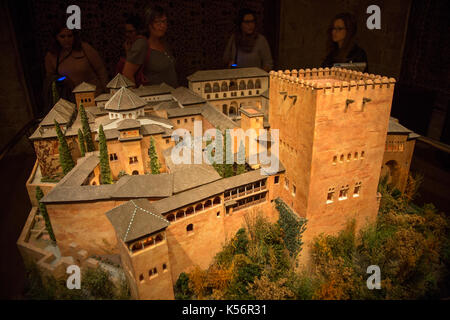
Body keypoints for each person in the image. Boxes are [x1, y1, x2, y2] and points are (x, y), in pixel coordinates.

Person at [44, 21, 109, 101]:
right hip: (71, 99)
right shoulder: (52, 56)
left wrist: (107, 92)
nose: (66, 39)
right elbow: (51, 80)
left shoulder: (85, 48)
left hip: (95, 95)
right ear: (56, 37)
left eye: (70, 36)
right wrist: (63, 79)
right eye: (62, 36)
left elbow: (101, 70)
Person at [122, 5, 178, 88]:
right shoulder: (142, 44)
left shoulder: (164, 42)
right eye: (157, 22)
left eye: (164, 21)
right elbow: (127, 74)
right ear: (149, 24)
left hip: (172, 95)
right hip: (154, 97)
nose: (162, 25)